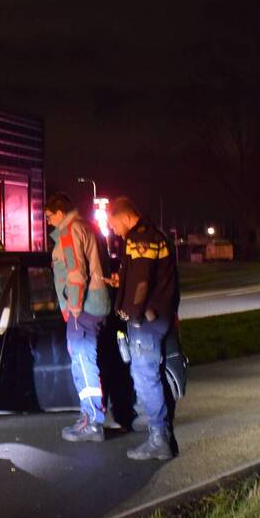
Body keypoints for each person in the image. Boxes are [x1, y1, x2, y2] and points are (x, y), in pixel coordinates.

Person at [105, 197, 180, 460]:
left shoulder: (139, 240)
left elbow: (141, 283)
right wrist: (120, 282)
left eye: (112, 223)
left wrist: (131, 313)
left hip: (146, 322)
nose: (112, 229)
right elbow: (145, 277)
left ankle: (158, 438)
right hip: (157, 317)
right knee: (150, 374)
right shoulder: (155, 234)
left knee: (145, 376)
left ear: (124, 217)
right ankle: (162, 435)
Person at [44, 192, 113, 442]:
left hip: (83, 308)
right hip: (97, 303)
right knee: (88, 361)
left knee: (83, 364)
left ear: (60, 213)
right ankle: (92, 416)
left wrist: (73, 308)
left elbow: (75, 273)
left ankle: (92, 421)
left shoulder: (68, 231)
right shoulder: (87, 227)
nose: (49, 221)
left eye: (50, 216)